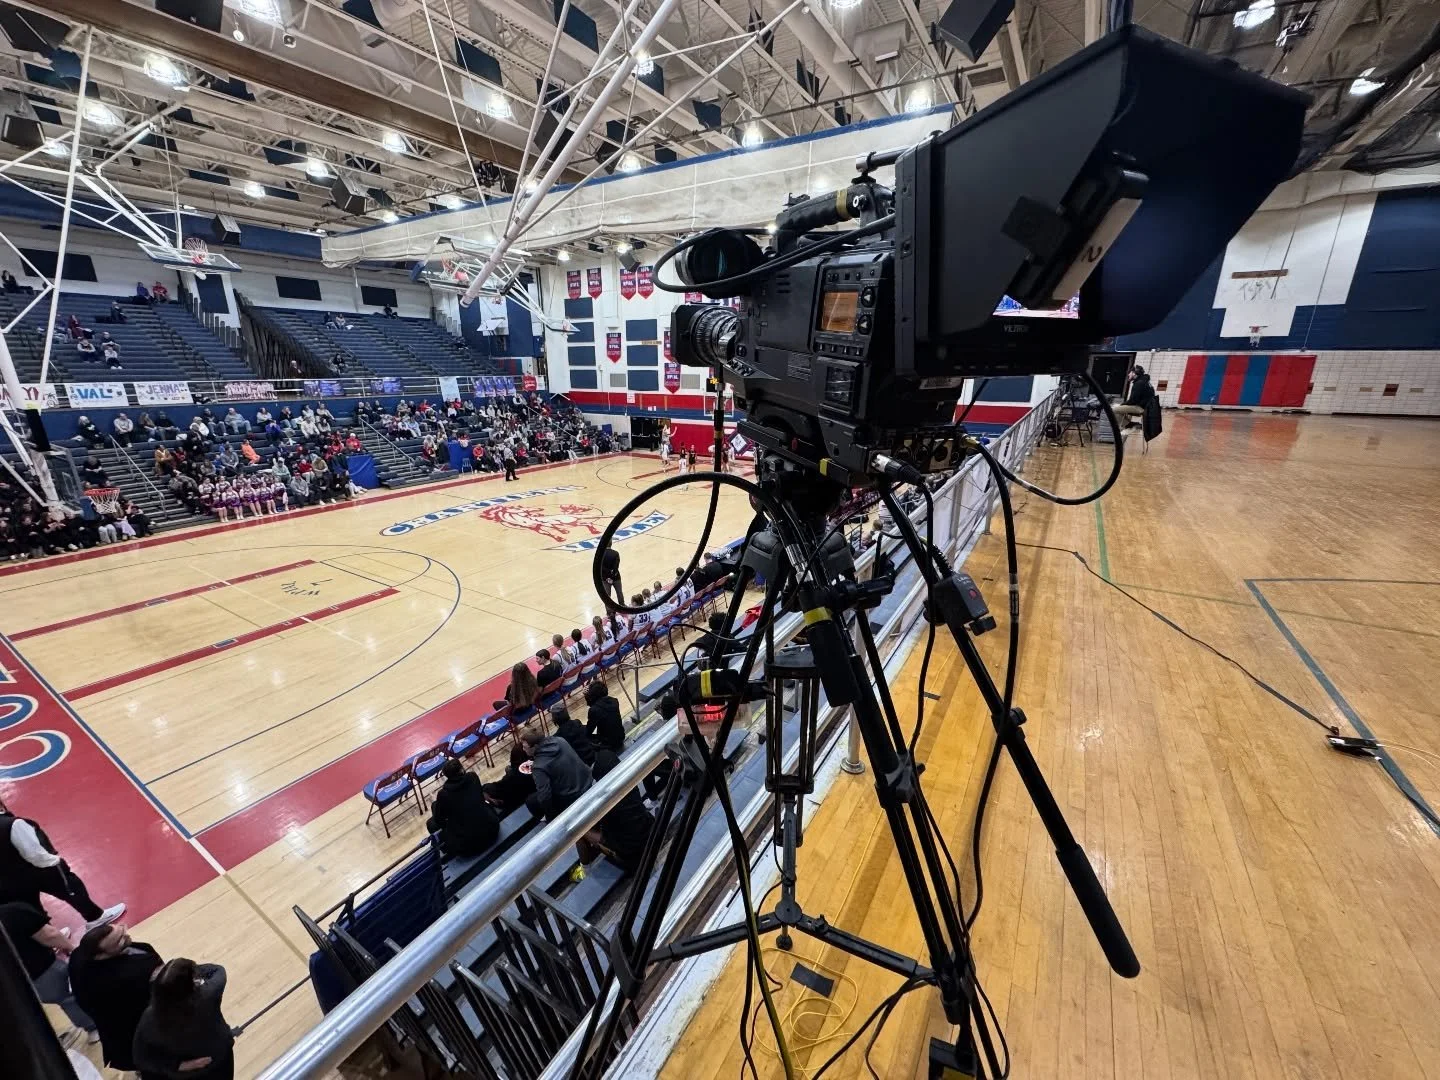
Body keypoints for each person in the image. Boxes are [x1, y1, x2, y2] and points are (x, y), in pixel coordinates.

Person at [0, 808, 125, 928]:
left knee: (32, 909)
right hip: (37, 870)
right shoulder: (14, 824)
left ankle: (51, 938)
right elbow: (34, 854)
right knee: (71, 887)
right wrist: (55, 862)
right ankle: (95, 917)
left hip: (10, 879)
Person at [68, 921, 164, 1073]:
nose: (126, 935)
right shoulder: (140, 970)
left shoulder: (78, 956)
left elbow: (82, 1000)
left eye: (122, 930)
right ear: (101, 955)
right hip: (143, 1024)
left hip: (113, 1029)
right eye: (119, 940)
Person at [0, 900, 97, 1045]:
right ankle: (94, 1027)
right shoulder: (12, 912)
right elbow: (49, 935)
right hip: (42, 970)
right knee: (68, 997)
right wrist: (70, 948)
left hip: (10, 982)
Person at [132, 957, 236, 1080]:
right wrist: (190, 971)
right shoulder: (208, 994)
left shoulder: (149, 1017)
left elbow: (140, 1057)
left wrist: (177, 1065)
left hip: (182, 1076)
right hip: (219, 1063)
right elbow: (217, 970)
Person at [578, 750, 655, 873]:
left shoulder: (604, 803)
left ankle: (585, 868)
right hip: (648, 830)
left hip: (631, 853)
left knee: (578, 830)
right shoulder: (629, 779)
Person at [425, 760, 500, 856]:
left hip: (467, 846)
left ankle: (446, 852)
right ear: (461, 769)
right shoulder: (473, 777)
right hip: (492, 829)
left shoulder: (443, 794)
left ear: (447, 776)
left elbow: (439, 821)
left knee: (431, 823)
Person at [519, 726, 593, 821]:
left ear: (535, 747)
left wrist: (551, 817)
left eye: (525, 747)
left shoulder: (538, 767)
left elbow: (545, 797)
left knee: (531, 801)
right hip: (588, 779)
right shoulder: (560, 740)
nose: (523, 749)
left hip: (575, 796)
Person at [482, 744, 536, 814]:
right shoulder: (538, 766)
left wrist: (484, 788)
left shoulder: (510, 778)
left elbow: (493, 789)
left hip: (515, 804)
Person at [583, 680, 625, 754]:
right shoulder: (614, 700)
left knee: (583, 738)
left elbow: (589, 731)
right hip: (620, 737)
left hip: (608, 744)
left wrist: (586, 696)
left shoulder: (594, 710)